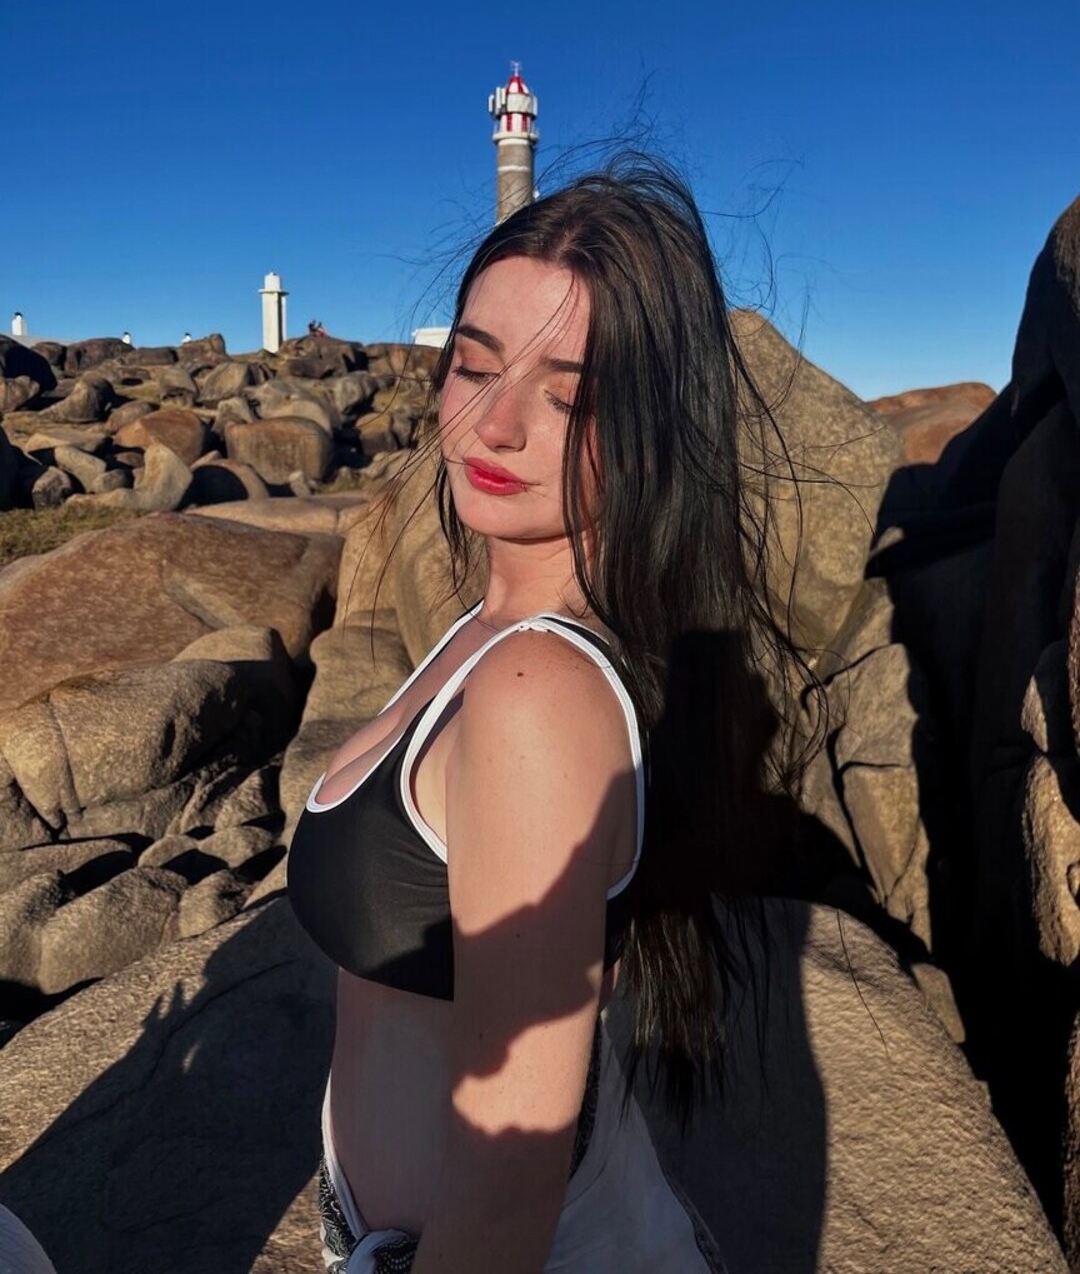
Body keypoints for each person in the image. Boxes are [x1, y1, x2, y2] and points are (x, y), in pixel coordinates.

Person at [288, 156, 796, 1272]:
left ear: (659, 428)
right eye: (474, 367)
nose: (497, 424)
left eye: (572, 398)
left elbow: (508, 1196)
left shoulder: (537, 690)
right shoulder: (490, 629)